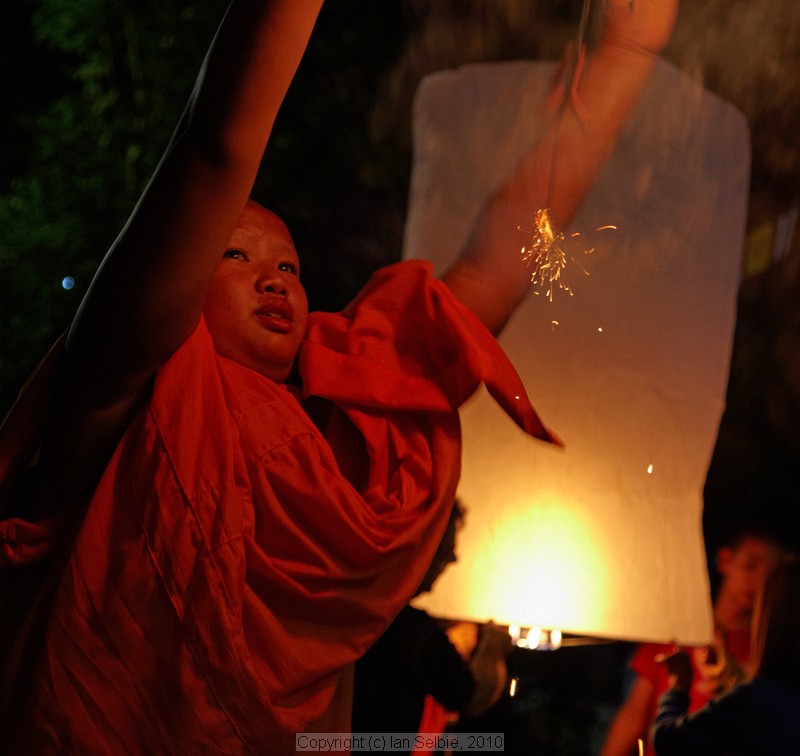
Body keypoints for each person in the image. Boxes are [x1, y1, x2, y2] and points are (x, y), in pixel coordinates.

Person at [0, 0, 678, 753]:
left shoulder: (338, 427)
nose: (275, 280)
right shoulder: (119, 389)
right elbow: (214, 148)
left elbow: (495, 265)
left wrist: (627, 53)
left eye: (288, 266)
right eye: (237, 256)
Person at [601, 530, 784, 756]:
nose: (757, 582)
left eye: (769, 575)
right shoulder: (679, 633)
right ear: (725, 560)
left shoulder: (771, 649)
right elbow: (634, 718)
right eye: (750, 566)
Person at [352, 501, 510, 753]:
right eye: (443, 546)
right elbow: (470, 695)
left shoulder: (351, 605)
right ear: (417, 547)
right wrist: (493, 643)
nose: (454, 557)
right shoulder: (414, 631)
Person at [651, 557, 800, 755]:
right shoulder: (775, 698)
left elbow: (666, 740)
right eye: (749, 566)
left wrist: (677, 685)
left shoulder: (756, 700)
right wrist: (731, 675)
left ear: (771, 620)